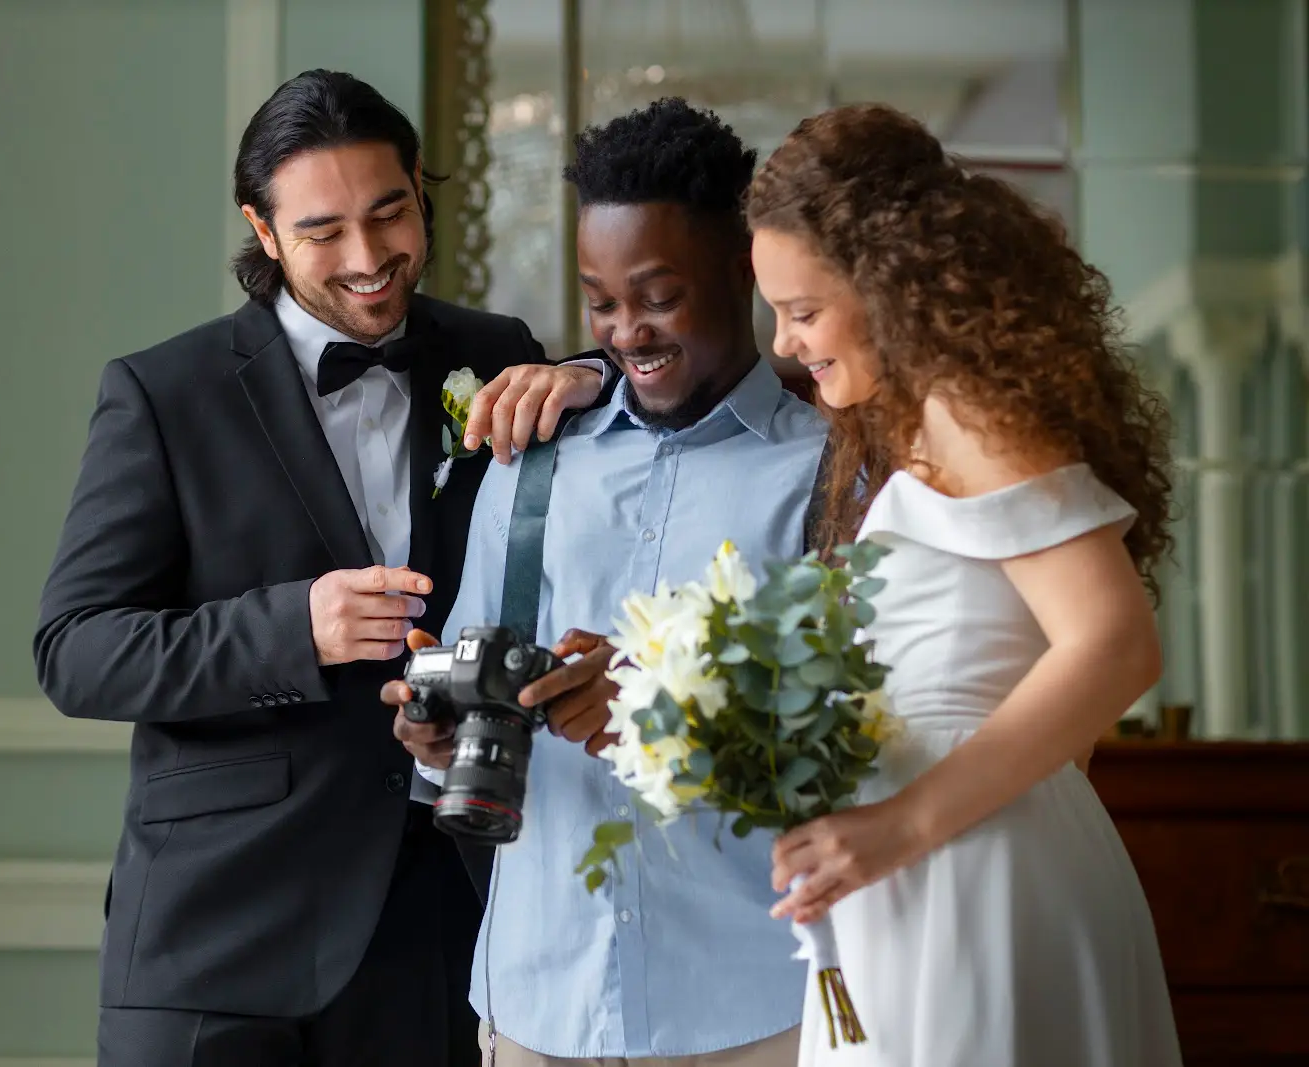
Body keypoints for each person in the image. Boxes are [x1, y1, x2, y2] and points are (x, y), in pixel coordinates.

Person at [34, 69, 603, 1067]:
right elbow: (76, 651)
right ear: (262, 231)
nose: (369, 258)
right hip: (214, 934)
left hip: (435, 926)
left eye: (389, 214)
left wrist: (590, 376)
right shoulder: (164, 394)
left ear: (420, 186)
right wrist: (294, 628)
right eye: (323, 231)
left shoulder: (498, 353)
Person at [385, 99, 827, 1067]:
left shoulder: (824, 474)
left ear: (741, 271)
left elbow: (856, 740)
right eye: (600, 303)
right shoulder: (529, 464)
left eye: (657, 296)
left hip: (755, 1009)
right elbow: (470, 692)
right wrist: (436, 731)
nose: (628, 331)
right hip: (534, 1004)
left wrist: (664, 711)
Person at [746, 104, 1182, 1066]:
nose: (782, 343)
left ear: (886, 284)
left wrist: (905, 825)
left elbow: (1115, 644)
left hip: (963, 870)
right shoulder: (914, 426)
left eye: (803, 310)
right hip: (948, 868)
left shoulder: (967, 410)